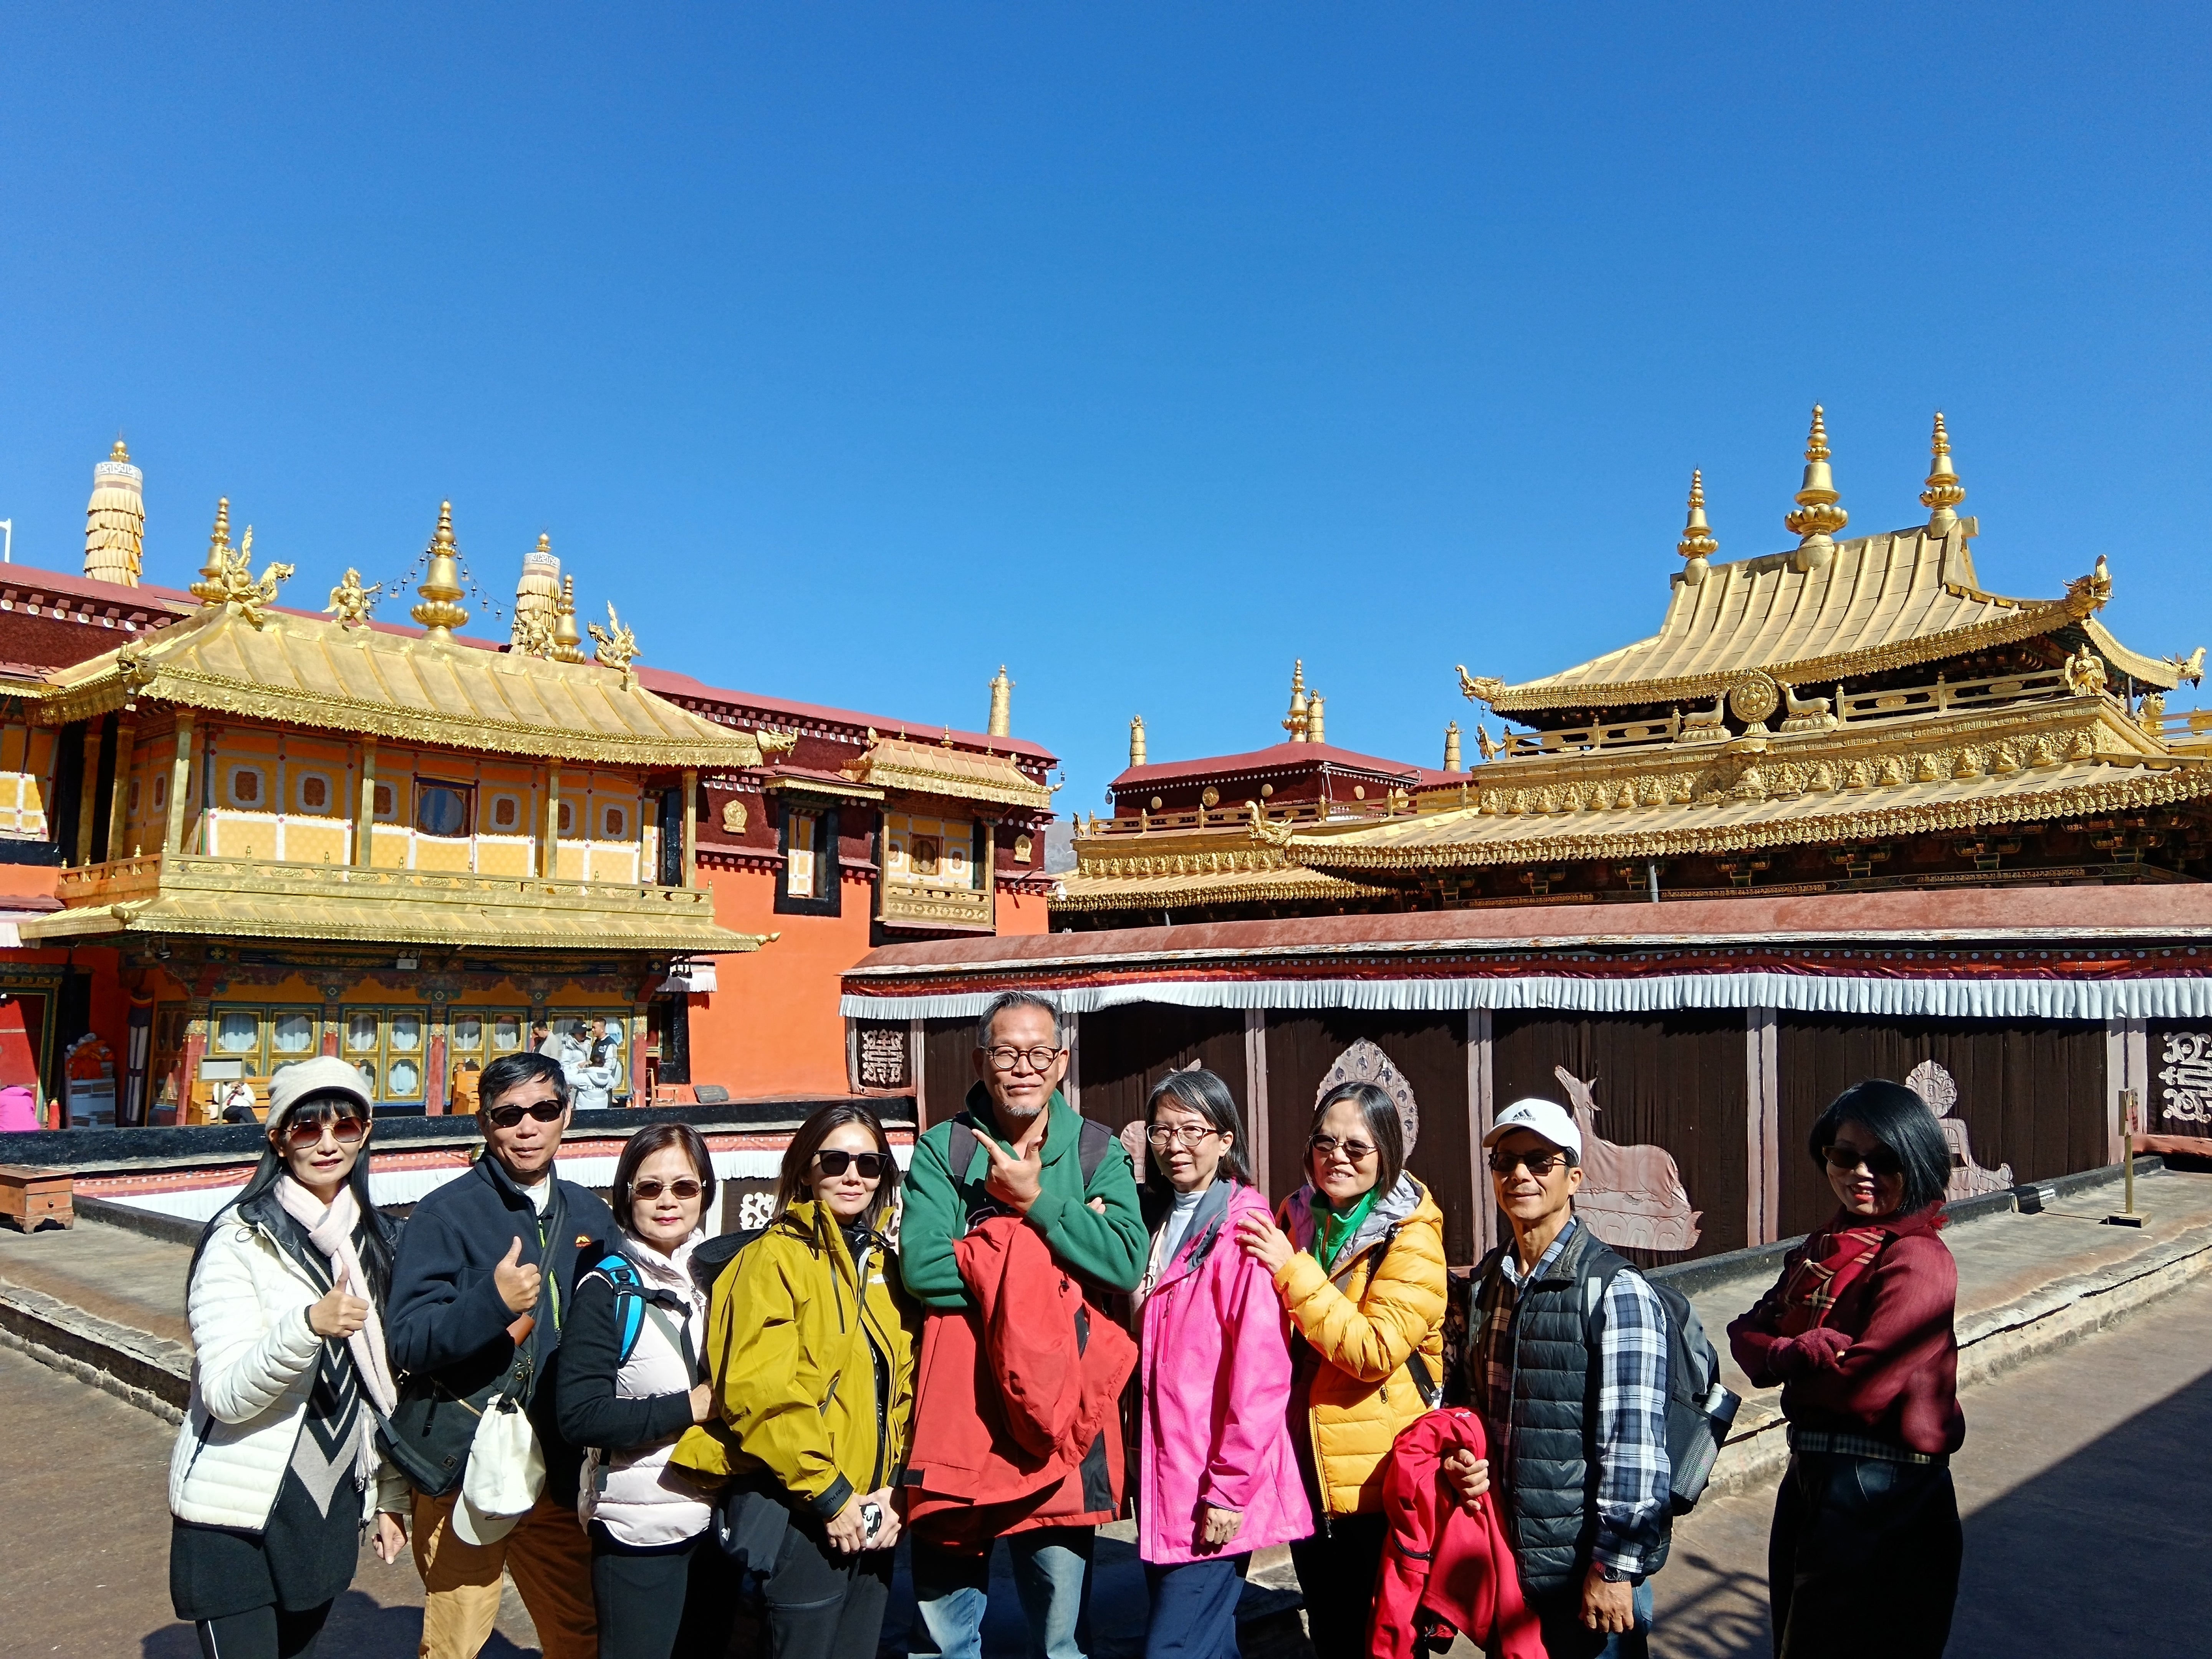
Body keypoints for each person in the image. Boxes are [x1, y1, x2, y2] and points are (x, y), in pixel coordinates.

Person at [899, 989, 1147, 1659]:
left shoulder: (1094, 1151)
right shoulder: (946, 1150)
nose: (1023, 1068)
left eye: (1039, 1054)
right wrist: (1059, 1251)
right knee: (944, 1642)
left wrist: (1032, 1201)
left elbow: (1124, 1263)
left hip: (1061, 1414)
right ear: (981, 1061)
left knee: (1059, 1641)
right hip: (965, 1410)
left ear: (1062, 1063)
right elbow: (922, 1267)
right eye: (1007, 1053)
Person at [166, 1056, 410, 1659]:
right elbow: (224, 1394)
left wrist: (390, 1497)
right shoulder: (240, 1240)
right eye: (307, 1128)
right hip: (237, 1515)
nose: (328, 1144)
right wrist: (306, 1327)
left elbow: (382, 1389)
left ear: (365, 1133)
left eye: (345, 1125)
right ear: (278, 1139)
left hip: (326, 1508)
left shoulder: (376, 1242)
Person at [386, 1050, 616, 1659]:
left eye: (544, 1110)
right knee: (456, 1641)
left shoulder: (591, 1216)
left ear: (567, 1114)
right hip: (468, 1468)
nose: (528, 1128)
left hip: (559, 1468)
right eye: (509, 1115)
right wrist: (491, 1302)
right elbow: (407, 1339)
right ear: (485, 1123)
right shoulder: (445, 1215)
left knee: (580, 1632)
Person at [1727, 1081, 1964, 1659]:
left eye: (1883, 1160)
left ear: (1918, 1162)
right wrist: (1796, 1353)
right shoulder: (1825, 1247)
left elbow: (1862, 1389)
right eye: (1844, 1155)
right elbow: (1746, 1334)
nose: (1861, 1173)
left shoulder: (1918, 1258)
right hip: (1815, 1475)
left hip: (1884, 1493)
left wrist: (1785, 1358)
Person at [674, 1103, 917, 1659]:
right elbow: (763, 1393)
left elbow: (903, 1385)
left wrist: (894, 1488)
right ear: (806, 1169)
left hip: (875, 1511)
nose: (853, 1176)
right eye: (835, 1161)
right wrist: (831, 1496)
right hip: (805, 1510)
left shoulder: (885, 1266)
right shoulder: (771, 1260)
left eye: (870, 1164)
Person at [1439, 1098, 1670, 1659]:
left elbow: (1634, 1447)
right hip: (1510, 1566)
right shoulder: (1489, 1281)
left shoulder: (1615, 1291)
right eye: (1506, 1161)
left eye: (1540, 1161)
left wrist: (1615, 1569)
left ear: (1574, 1178)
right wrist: (1464, 1458)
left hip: (1585, 1574)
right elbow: (1471, 1402)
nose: (1520, 1174)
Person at [1234, 1080, 1447, 1659]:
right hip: (1308, 1469)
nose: (1338, 1158)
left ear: (1387, 1154)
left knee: (1386, 1639)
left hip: (1378, 1478)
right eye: (1325, 1143)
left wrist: (1292, 1271)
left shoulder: (1411, 1237)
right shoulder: (1297, 1215)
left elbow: (1374, 1351)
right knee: (1330, 1630)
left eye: (1357, 1147)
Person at [1131, 1068, 1310, 1659]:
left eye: (1193, 1130)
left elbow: (1261, 1377)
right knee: (1206, 1644)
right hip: (1166, 1475)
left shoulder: (1242, 1229)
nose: (1175, 1145)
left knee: (1174, 1648)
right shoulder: (1158, 1220)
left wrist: (1230, 1491)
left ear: (1226, 1139)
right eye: (1162, 1131)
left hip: (1211, 1481)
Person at [556, 1122, 728, 1659]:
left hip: (720, 1522)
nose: (668, 1201)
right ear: (626, 1195)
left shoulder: (721, 1281)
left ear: (705, 1192)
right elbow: (581, 1416)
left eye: (685, 1187)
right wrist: (690, 1407)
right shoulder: (606, 1289)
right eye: (650, 1188)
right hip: (639, 1528)